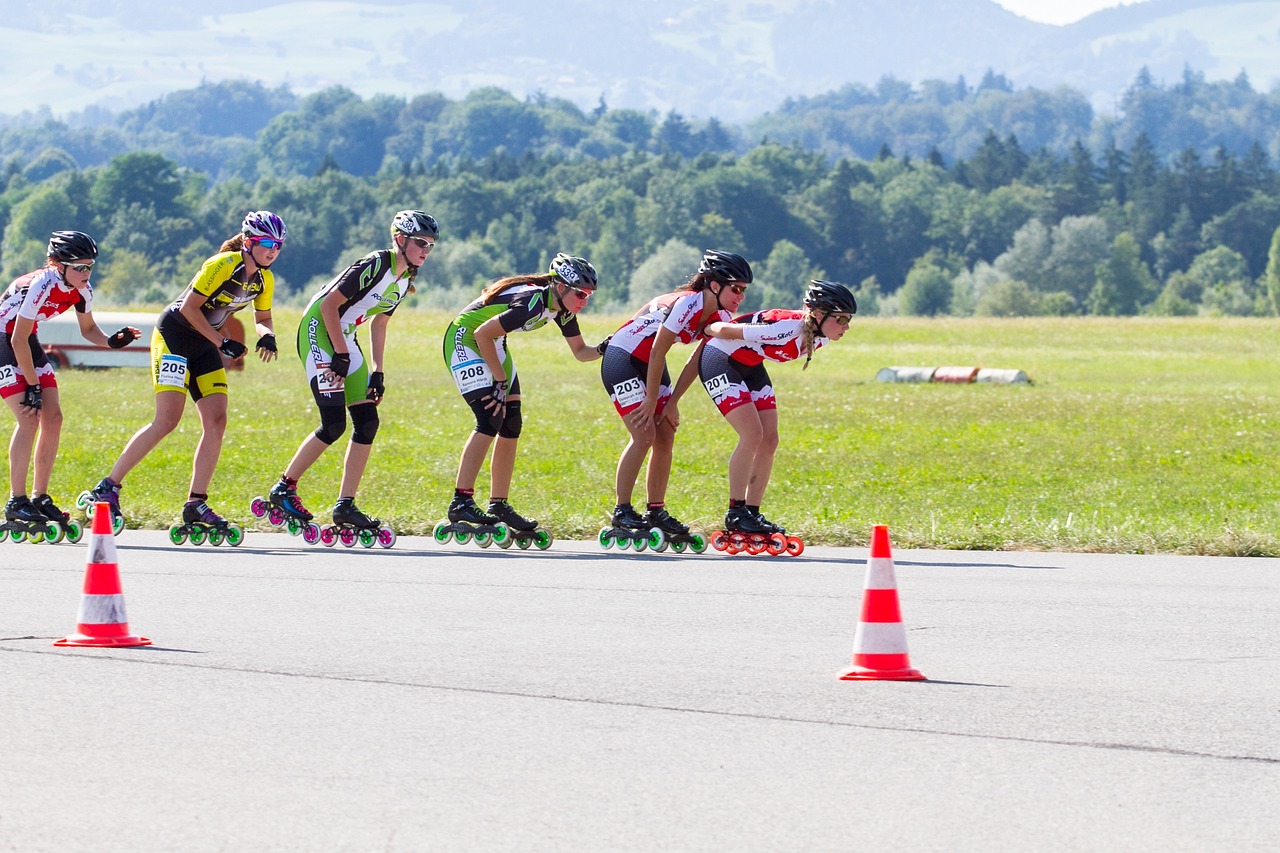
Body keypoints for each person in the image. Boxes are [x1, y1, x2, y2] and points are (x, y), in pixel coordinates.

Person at [83, 211, 286, 534]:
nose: (272, 250)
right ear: (248, 241)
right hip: (175, 335)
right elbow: (189, 309)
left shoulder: (264, 279)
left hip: (204, 343)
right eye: (266, 243)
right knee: (167, 420)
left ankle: (195, 503)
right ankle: (107, 487)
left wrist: (268, 335)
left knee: (217, 420)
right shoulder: (222, 265)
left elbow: (263, 317)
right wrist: (222, 341)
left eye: (278, 245)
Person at [264, 210, 437, 534]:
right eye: (420, 243)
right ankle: (284, 488)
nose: (426, 250)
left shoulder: (404, 279)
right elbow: (329, 304)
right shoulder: (376, 264)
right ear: (400, 239)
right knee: (333, 424)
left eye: (431, 245)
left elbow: (380, 322)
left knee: (368, 421)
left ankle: (345, 505)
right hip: (319, 329)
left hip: (345, 335)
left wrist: (378, 372)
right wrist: (340, 354)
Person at [442, 253, 603, 537]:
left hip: (494, 341)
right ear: (560, 286)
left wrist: (606, 348)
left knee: (511, 422)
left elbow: (580, 352)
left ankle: (498, 505)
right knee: (490, 417)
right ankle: (461, 501)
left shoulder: (562, 309)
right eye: (580, 293)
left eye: (588, 295)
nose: (584, 300)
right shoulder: (531, 302)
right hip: (465, 337)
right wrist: (500, 381)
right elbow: (481, 333)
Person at [598, 249, 751, 540]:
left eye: (743, 290)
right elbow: (658, 349)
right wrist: (652, 399)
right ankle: (622, 511)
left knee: (666, 433)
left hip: (649, 362)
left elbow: (696, 360)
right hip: (624, 357)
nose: (740, 296)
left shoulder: (721, 315)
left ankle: (655, 510)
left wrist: (673, 402)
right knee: (644, 435)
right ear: (714, 285)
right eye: (736, 288)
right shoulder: (687, 303)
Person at [0, 231, 141, 536]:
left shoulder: (82, 289)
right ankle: (16, 500)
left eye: (89, 266)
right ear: (56, 264)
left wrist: (114, 342)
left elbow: (89, 330)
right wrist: (34, 386)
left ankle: (39, 497)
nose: (85, 273)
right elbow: (16, 338)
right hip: (5, 341)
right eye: (79, 267)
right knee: (29, 418)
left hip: (27, 341)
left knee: (54, 417)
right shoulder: (41, 284)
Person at [699, 279, 856, 538]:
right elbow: (723, 330)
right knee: (752, 435)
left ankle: (751, 512)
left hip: (750, 364)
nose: (846, 327)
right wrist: (707, 327)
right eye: (840, 319)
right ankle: (735, 511)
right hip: (720, 358)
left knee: (770, 439)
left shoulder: (820, 337)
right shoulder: (784, 327)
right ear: (817, 315)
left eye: (849, 319)